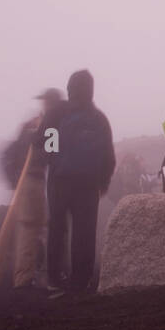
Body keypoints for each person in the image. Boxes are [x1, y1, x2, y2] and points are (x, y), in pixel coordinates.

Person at [39, 70, 115, 297]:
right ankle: (81, 281)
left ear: (70, 87)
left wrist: (52, 160)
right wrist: (104, 181)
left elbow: (43, 142)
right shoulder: (98, 117)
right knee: (85, 231)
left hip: (60, 182)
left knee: (58, 229)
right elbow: (107, 155)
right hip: (89, 184)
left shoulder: (57, 113)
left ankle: (54, 279)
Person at [8, 88, 63, 288]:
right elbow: (50, 154)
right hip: (32, 180)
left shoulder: (32, 125)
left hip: (28, 181)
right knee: (32, 228)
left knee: (32, 227)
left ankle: (28, 274)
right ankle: (25, 278)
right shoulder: (43, 126)